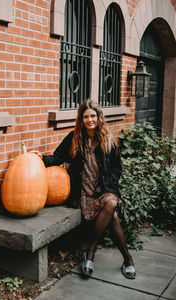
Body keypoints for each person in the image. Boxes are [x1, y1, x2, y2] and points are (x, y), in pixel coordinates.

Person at [40, 100, 136, 279]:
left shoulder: (108, 141)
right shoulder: (74, 137)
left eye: (93, 115)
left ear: (99, 117)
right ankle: (128, 260)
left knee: (111, 201)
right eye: (86, 116)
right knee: (113, 215)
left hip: (105, 191)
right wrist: (40, 159)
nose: (89, 119)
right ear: (81, 119)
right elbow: (57, 157)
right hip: (84, 193)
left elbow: (116, 168)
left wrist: (111, 185)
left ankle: (90, 251)